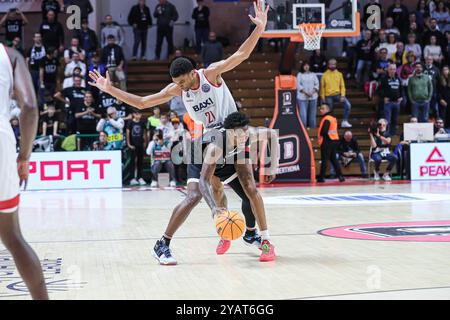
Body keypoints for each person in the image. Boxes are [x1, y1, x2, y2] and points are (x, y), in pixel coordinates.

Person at [89, 2, 273, 265]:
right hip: (211, 141)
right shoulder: (177, 89)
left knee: (250, 189)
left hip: (233, 133)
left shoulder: (211, 75)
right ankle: (167, 242)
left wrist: (260, 29)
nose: (180, 87)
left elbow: (241, 55)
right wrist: (111, 90)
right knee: (203, 192)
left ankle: (257, 236)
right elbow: (142, 103)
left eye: (183, 81)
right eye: (177, 84)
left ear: (192, 72)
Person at [0, 43, 48, 299]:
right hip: (2, 140)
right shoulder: (11, 55)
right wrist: (24, 158)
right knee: (13, 237)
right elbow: (29, 107)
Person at [198, 112, 279, 262]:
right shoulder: (215, 146)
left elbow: (272, 134)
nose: (244, 136)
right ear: (230, 132)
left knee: (251, 190)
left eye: (245, 131)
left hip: (236, 154)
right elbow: (203, 181)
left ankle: (265, 241)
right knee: (217, 189)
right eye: (240, 134)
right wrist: (213, 209)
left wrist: (272, 167)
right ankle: (225, 233)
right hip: (215, 160)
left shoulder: (249, 134)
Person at [320, 59, 352, 128]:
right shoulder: (324, 75)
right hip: (328, 95)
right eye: (331, 64)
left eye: (334, 64)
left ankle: (344, 121)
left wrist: (343, 95)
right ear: (328, 65)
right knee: (330, 110)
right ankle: (332, 124)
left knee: (348, 105)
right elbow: (322, 87)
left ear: (336, 65)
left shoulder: (339, 74)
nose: (332, 65)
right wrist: (322, 97)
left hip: (338, 95)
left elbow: (342, 86)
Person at [317, 104, 345, 183]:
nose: (320, 110)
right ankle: (340, 176)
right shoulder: (333, 118)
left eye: (322, 109)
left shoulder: (326, 118)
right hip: (334, 141)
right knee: (334, 160)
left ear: (327, 110)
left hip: (327, 141)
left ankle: (321, 178)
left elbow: (324, 131)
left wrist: (325, 138)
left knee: (325, 160)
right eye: (320, 109)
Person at [380, 64, 403, 136]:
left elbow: (401, 89)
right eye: (391, 69)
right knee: (387, 120)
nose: (392, 71)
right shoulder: (384, 79)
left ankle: (393, 134)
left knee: (395, 120)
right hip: (388, 102)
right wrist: (384, 97)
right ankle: (386, 134)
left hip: (396, 102)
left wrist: (401, 97)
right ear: (388, 70)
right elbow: (380, 90)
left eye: (394, 69)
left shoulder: (398, 78)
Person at [127, 109, 147, 186]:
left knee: (140, 161)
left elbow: (144, 132)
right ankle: (132, 178)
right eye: (136, 113)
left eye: (139, 113)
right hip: (132, 145)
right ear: (133, 114)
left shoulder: (142, 122)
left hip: (140, 144)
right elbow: (128, 133)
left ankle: (140, 177)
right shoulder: (130, 122)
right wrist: (129, 144)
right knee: (132, 162)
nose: (138, 115)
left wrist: (145, 142)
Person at [296, 62, 319, 128]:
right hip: (302, 97)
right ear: (302, 67)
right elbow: (298, 85)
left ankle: (313, 129)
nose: (306, 67)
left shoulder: (313, 74)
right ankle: (304, 130)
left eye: (307, 65)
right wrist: (305, 92)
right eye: (305, 65)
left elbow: (317, 84)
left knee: (312, 115)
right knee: (303, 115)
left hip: (313, 97)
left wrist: (312, 92)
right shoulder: (300, 74)